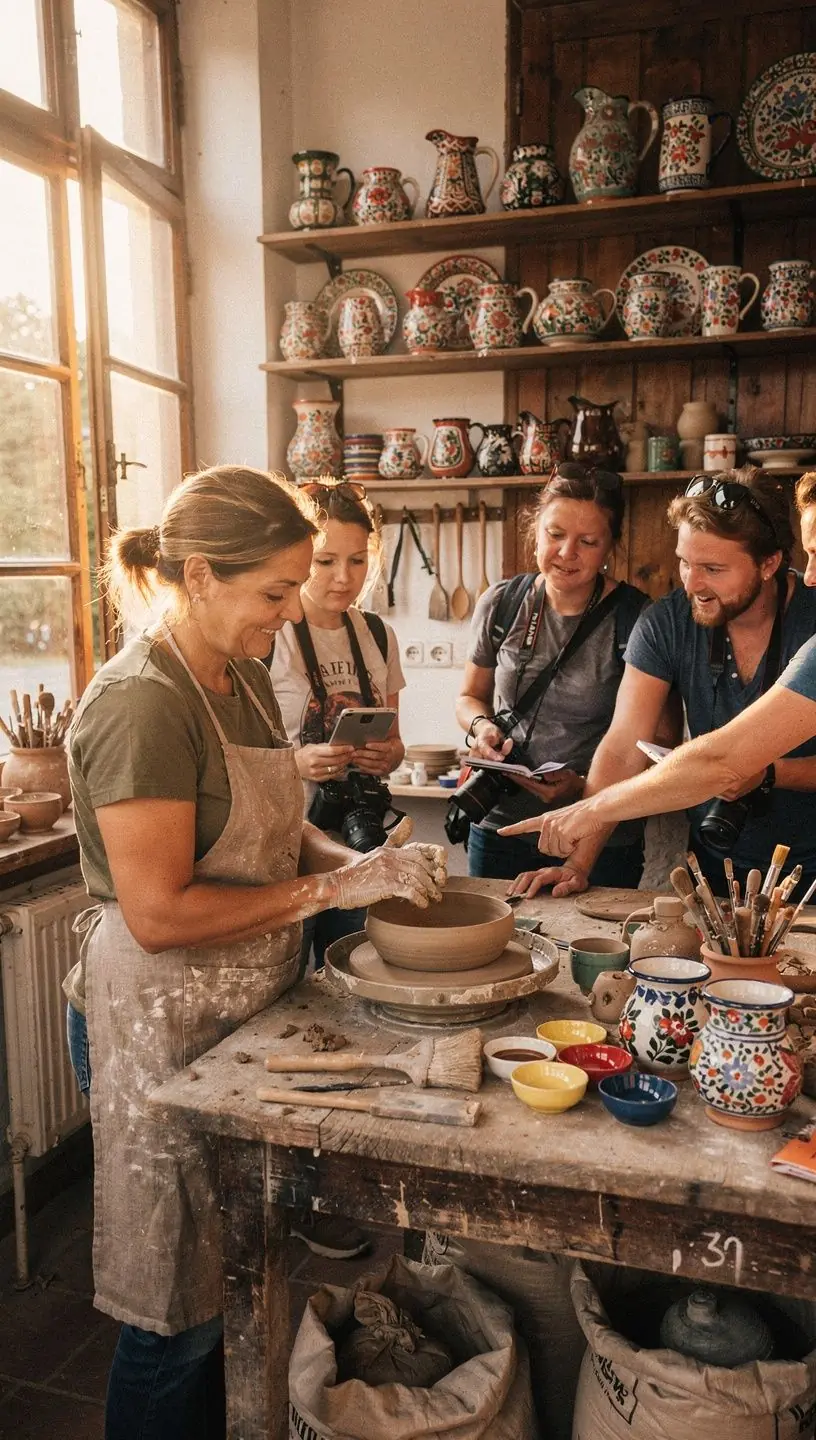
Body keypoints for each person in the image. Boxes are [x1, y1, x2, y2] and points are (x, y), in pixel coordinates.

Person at [63, 466, 445, 1440]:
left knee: (246, 1286)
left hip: (240, 1014)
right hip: (160, 1019)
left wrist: (362, 866)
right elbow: (157, 911)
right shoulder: (144, 701)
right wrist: (332, 893)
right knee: (178, 1313)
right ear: (198, 576)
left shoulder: (236, 678)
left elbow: (280, 831)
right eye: (275, 592)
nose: (290, 612)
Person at [503, 467, 816, 899]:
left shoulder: (811, 620)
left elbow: (721, 761)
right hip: (716, 864)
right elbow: (623, 744)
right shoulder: (668, 621)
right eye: (684, 562)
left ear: (769, 563)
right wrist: (577, 863)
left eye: (712, 568)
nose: (692, 583)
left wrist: (766, 774)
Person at [454, 463, 654, 887]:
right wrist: (481, 728)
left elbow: (656, 742)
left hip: (595, 833)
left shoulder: (637, 619)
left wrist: (580, 787)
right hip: (499, 825)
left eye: (588, 541)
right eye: (555, 534)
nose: (567, 553)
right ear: (536, 531)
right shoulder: (502, 603)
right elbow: (470, 695)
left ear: (609, 548)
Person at [269, 480, 405, 971]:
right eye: (325, 561)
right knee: (287, 988)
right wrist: (300, 761)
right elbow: (234, 760)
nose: (344, 578)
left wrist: (386, 755)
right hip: (285, 854)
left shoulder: (375, 633)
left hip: (358, 851)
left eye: (357, 560)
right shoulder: (270, 633)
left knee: (353, 977)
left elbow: (395, 745)